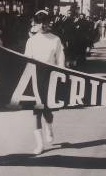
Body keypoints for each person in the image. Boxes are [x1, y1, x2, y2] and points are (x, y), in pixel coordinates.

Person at [24, 10, 65, 155]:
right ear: (36, 23)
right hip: (35, 77)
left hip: (51, 77)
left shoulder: (56, 39)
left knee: (47, 110)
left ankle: (49, 127)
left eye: (44, 21)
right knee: (36, 111)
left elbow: (60, 60)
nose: (42, 24)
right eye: (39, 21)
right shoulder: (31, 40)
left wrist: (61, 76)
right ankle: (40, 144)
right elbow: (27, 60)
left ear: (48, 22)